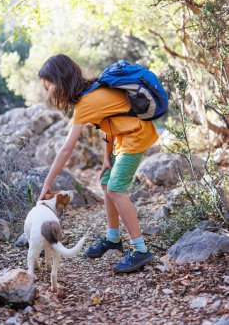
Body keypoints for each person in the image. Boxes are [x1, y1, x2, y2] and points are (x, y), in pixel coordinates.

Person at [38, 54, 159, 273]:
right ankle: (113, 238)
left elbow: (66, 148)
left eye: (48, 86)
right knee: (105, 182)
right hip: (123, 136)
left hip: (135, 136)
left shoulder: (86, 103)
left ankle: (140, 249)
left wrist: (48, 182)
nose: (48, 93)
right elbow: (109, 122)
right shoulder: (91, 90)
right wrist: (106, 157)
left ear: (60, 81)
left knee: (115, 189)